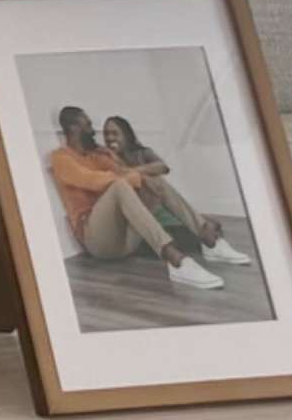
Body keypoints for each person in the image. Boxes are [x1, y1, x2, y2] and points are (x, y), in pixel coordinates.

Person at [46, 105, 224, 292]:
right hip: (96, 241)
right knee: (120, 186)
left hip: (124, 241)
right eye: (88, 125)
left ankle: (208, 238)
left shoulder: (96, 155)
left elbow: (126, 173)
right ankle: (176, 262)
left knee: (152, 181)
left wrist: (113, 158)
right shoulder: (61, 158)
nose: (93, 130)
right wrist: (125, 177)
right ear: (74, 128)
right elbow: (94, 181)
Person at [102, 113, 255, 272]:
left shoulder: (142, 152)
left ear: (126, 135)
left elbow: (163, 167)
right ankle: (202, 237)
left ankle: (207, 236)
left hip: (158, 208)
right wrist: (116, 161)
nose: (110, 137)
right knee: (186, 236)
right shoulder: (106, 158)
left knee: (212, 226)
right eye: (106, 134)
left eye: (115, 133)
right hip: (139, 219)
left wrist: (132, 171)